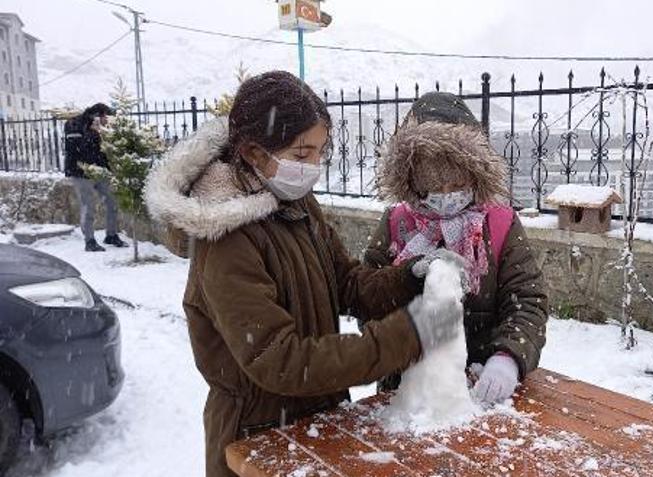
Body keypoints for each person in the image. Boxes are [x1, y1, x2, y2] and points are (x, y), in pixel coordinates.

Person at [145, 71, 461, 477]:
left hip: (319, 418)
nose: (313, 167)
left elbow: (347, 283)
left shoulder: (292, 202)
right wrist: (409, 335)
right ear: (255, 153)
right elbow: (280, 359)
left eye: (320, 152)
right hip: (258, 438)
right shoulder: (226, 242)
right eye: (300, 154)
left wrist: (410, 278)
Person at [365, 91, 549, 404]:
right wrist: (400, 343)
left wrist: (507, 358)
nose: (446, 195)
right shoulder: (398, 223)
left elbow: (527, 300)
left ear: (474, 174)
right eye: (433, 186)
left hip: (482, 393)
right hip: (407, 392)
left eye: (456, 184)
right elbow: (368, 297)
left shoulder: (500, 224)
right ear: (412, 182)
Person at [63, 102, 127, 252]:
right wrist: (93, 133)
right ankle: (89, 241)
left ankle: (111, 235)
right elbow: (76, 149)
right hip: (81, 172)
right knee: (88, 206)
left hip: (100, 171)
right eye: (106, 117)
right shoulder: (74, 124)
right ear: (98, 115)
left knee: (112, 201)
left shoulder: (102, 128)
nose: (107, 121)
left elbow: (103, 152)